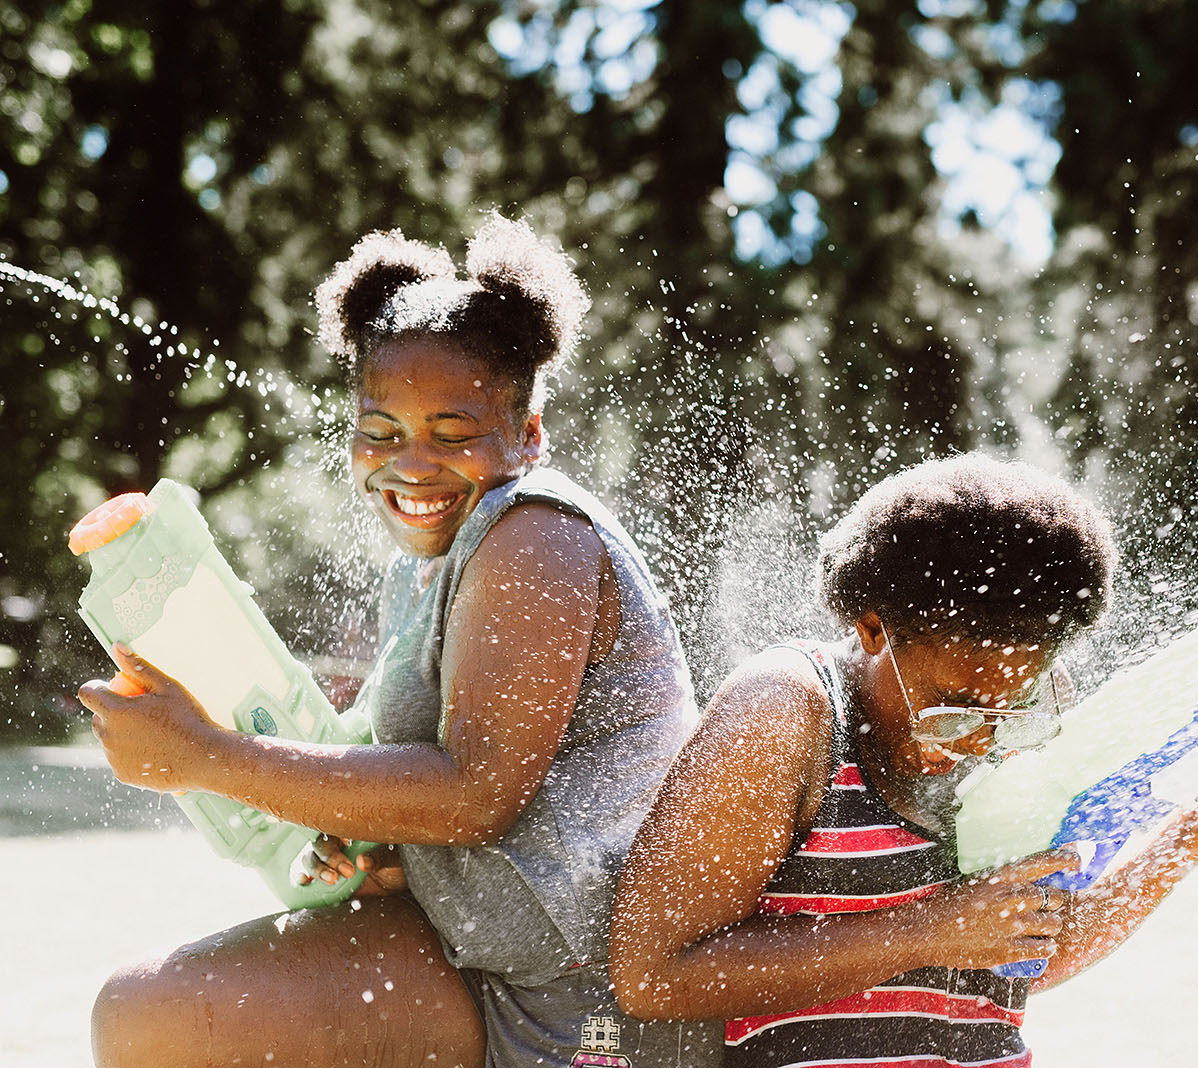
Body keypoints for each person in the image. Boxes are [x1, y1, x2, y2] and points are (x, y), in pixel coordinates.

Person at [78, 215, 718, 1068]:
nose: (411, 465)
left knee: (147, 1018)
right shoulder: (425, 568)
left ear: (528, 434)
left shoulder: (534, 534)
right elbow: (447, 800)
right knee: (149, 1012)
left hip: (592, 1000)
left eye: (454, 434)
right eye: (382, 432)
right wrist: (381, 842)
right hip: (483, 961)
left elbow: (477, 795)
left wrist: (205, 756)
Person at [608, 453, 1198, 1066]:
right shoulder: (784, 715)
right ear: (873, 628)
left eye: (1011, 706)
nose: (980, 739)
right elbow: (653, 974)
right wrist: (930, 930)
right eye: (956, 707)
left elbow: (1029, 956)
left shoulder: (1020, 726)